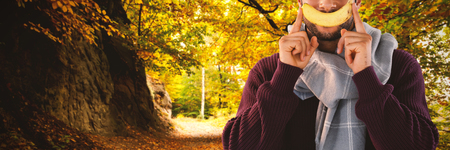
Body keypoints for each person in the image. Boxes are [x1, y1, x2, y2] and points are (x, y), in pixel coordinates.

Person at [221, 0, 439, 149]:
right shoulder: (269, 71)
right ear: (300, 2)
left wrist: (366, 75)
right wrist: (285, 76)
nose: (326, 4)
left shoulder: (398, 66)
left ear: (357, 1)